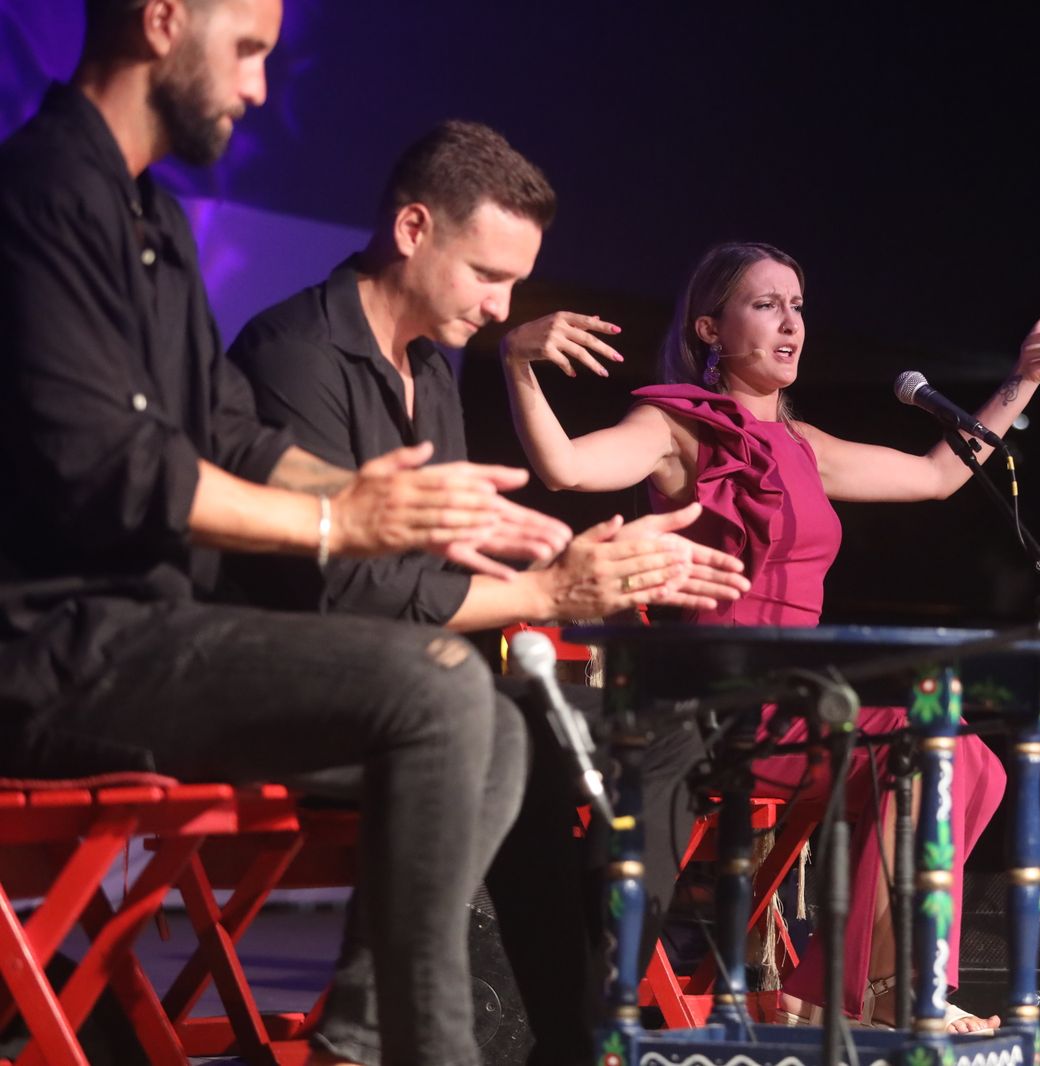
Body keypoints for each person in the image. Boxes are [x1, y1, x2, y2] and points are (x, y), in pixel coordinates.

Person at [0, 3, 641, 1064]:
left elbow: (230, 437)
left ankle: (359, 1044)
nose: (259, 86)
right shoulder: (40, 193)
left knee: (497, 731)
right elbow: (106, 463)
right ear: (162, 21)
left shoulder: (153, 220)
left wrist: (391, 502)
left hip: (145, 638)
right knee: (448, 691)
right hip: (55, 651)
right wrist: (341, 518)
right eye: (248, 49)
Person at [226, 119, 750, 1066]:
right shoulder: (294, 354)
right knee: (507, 731)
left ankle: (573, 1025)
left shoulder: (429, 368)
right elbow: (352, 596)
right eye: (488, 275)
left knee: (640, 729)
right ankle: (473, 1031)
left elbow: (442, 565)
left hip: (426, 679)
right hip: (304, 687)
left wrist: (587, 562)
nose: (505, 308)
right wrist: (550, 591)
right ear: (413, 229)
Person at [498, 239, 1040, 1031]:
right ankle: (888, 991)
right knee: (939, 750)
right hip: (713, 705)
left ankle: (869, 986)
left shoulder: (804, 445)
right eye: (766, 305)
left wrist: (1027, 377)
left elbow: (938, 475)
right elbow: (565, 467)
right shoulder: (675, 426)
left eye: (797, 307)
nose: (792, 324)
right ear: (710, 329)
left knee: (969, 761)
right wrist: (517, 363)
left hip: (800, 701)